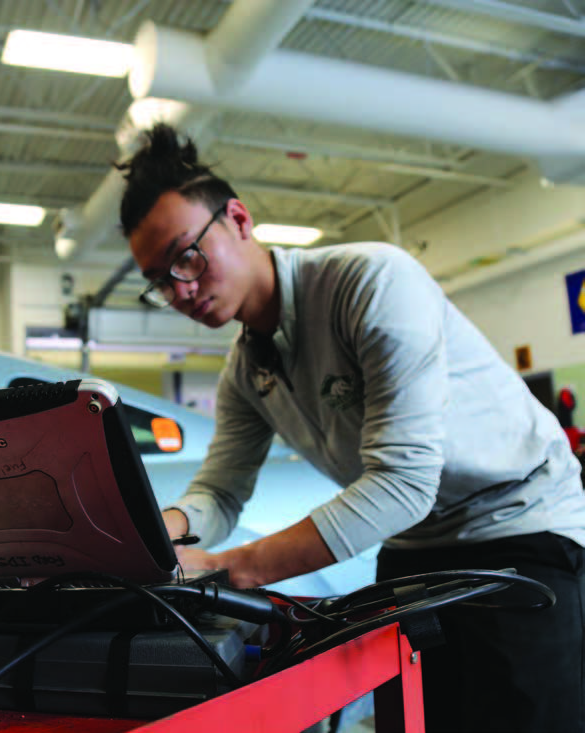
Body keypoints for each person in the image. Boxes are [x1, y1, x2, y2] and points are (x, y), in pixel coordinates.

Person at [115, 123, 585, 733]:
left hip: (520, 527)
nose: (181, 288)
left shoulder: (370, 282)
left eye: (186, 256)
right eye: (159, 279)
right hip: (417, 550)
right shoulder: (244, 371)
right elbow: (221, 492)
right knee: (422, 721)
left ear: (237, 218)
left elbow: (403, 483)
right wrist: (158, 534)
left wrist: (230, 569)